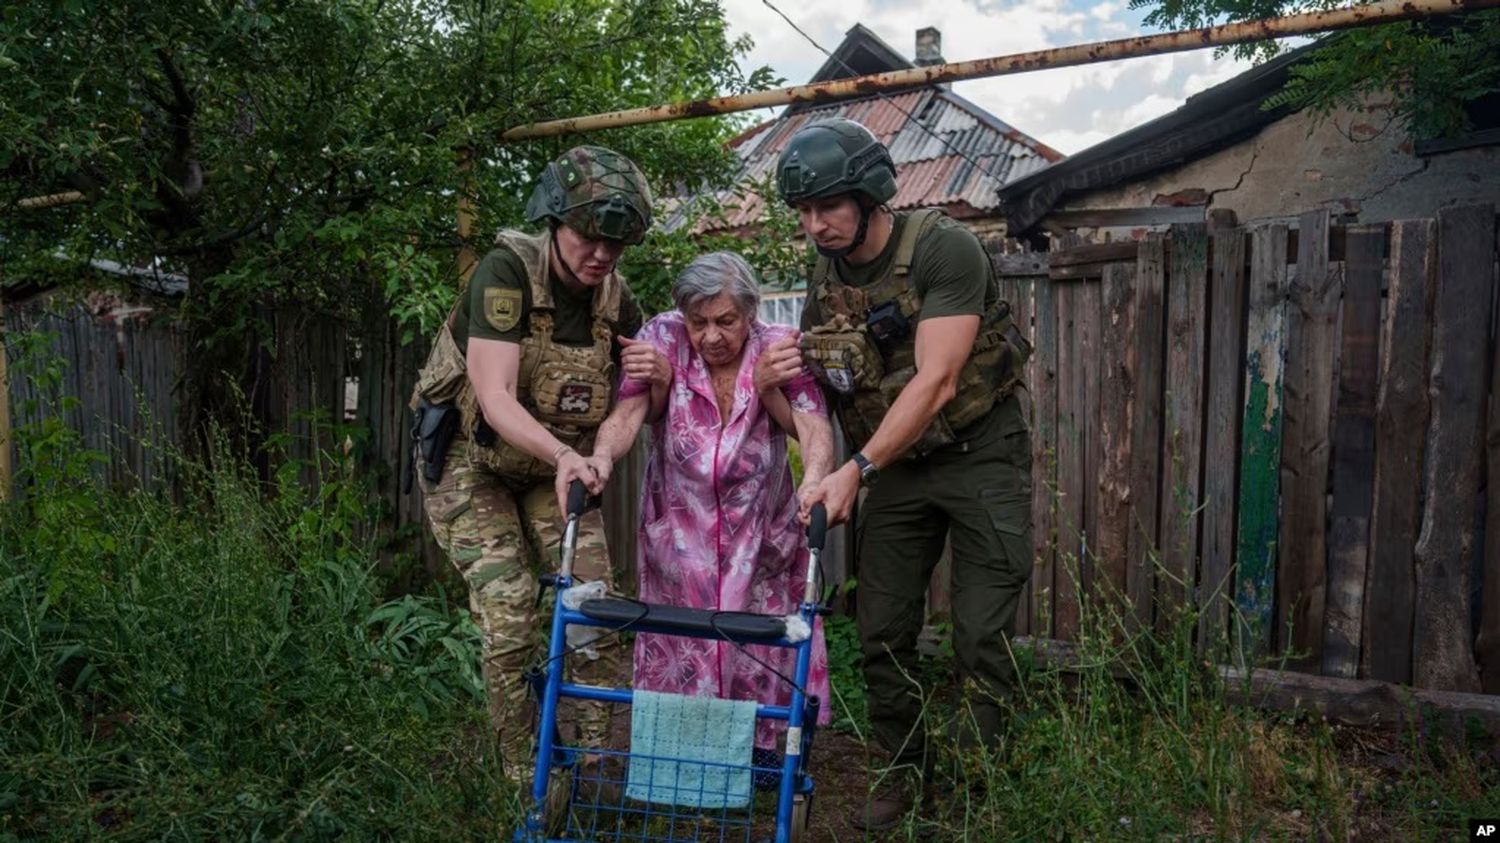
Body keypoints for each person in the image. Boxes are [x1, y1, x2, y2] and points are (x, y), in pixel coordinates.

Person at [771, 118, 1034, 830]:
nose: (814, 224)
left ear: (869, 195)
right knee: (881, 628)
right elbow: (822, 389)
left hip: (981, 452)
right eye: (803, 211)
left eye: (827, 206)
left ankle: (978, 787)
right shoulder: (823, 276)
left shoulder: (944, 249)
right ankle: (903, 771)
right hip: (895, 468)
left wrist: (858, 469)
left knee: (980, 634)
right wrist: (813, 450)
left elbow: (938, 380)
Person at [408, 145, 651, 784]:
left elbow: (637, 393)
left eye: (615, 244)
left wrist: (602, 448)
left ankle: (596, 763)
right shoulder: (506, 272)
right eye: (587, 236)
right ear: (553, 220)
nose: (600, 254)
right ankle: (525, 775)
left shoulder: (617, 302)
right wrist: (569, 454)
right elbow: (492, 397)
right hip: (472, 457)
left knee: (596, 604)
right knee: (511, 607)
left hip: (556, 467)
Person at [583, 252, 836, 769]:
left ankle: (765, 760)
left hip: (760, 531)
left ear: (750, 313)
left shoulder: (778, 348)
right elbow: (629, 412)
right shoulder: (662, 337)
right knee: (681, 644)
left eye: (725, 321)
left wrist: (813, 483)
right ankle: (679, 762)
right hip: (679, 531)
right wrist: (601, 459)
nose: (711, 336)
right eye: (699, 322)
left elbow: (813, 426)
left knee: (758, 645)